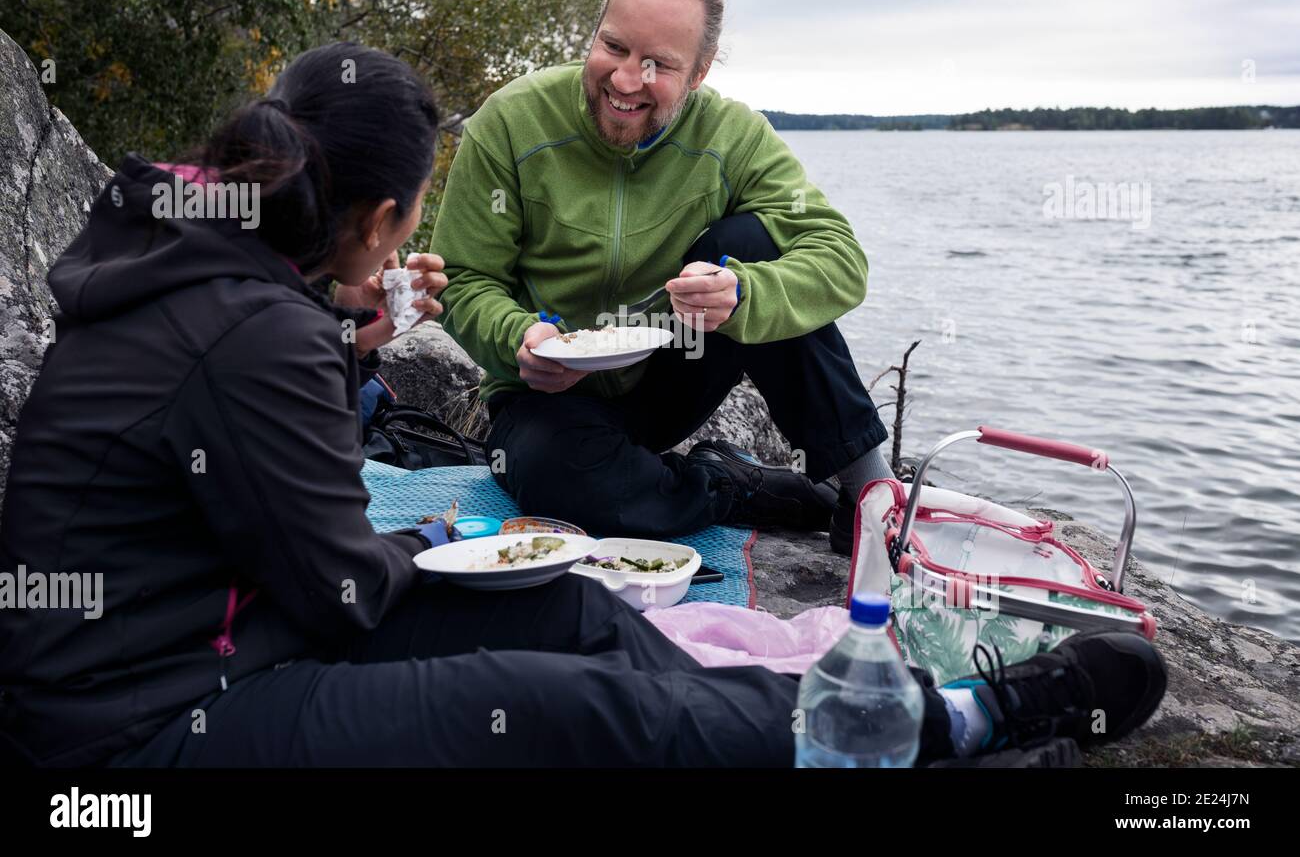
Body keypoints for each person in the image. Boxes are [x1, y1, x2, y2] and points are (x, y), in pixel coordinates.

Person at [0, 41, 1166, 769]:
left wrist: (349, 341)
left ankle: (779, 714)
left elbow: (258, 488)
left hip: (228, 623)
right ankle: (949, 724)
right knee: (554, 706)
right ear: (383, 220)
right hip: (135, 734)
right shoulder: (255, 325)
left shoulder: (203, 267)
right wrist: (439, 540)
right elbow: (342, 585)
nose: (631, 75)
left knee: (566, 608)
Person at [431, 0, 894, 554]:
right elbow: (463, 279)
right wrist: (518, 335)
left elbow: (840, 257)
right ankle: (730, 483)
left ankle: (868, 495)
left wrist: (743, 295)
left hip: (673, 370)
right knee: (558, 478)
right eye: (613, 47)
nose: (625, 80)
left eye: (657, 65)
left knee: (753, 245)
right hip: (544, 393)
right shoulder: (512, 122)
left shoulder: (733, 136)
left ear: (699, 73)